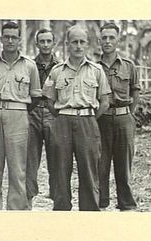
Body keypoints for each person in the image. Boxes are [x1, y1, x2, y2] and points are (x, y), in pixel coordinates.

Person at [43, 25, 111, 211]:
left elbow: (104, 102)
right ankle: (62, 210)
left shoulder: (96, 70)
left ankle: (89, 212)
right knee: (60, 170)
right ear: (67, 44)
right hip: (63, 122)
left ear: (87, 45)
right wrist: (65, 115)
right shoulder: (57, 71)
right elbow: (50, 101)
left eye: (82, 42)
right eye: (74, 42)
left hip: (88, 122)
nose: (78, 46)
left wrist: (88, 117)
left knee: (89, 170)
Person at [0, 21, 42, 210]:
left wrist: (19, 112)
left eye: (13, 37)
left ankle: (17, 212)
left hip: (19, 114)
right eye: (6, 37)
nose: (9, 40)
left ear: (19, 40)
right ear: (1, 39)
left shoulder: (29, 66)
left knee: (17, 169)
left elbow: (36, 97)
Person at [97, 23, 140, 211]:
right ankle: (101, 202)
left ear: (118, 40)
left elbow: (135, 92)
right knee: (101, 165)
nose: (107, 41)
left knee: (124, 166)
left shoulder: (129, 66)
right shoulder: (94, 67)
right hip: (101, 120)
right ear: (100, 41)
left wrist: (129, 115)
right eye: (104, 38)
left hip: (124, 119)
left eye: (111, 37)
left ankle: (126, 204)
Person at [26, 29, 59, 209]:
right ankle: (28, 204)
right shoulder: (29, 66)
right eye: (42, 41)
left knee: (57, 161)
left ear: (54, 43)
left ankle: (57, 203)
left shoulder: (61, 67)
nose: (45, 45)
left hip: (54, 115)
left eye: (48, 41)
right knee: (29, 162)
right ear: (37, 44)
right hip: (32, 114)